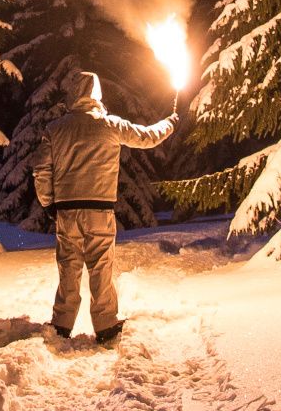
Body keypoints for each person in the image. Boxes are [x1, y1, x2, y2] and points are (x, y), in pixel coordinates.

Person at [31, 69, 177, 344]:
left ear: (73, 93)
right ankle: (106, 326)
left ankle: (61, 325)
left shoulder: (55, 129)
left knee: (68, 267)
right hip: (99, 210)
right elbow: (146, 137)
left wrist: (49, 203)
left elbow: (41, 169)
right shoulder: (111, 125)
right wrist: (169, 123)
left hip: (67, 210)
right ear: (96, 94)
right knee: (101, 266)